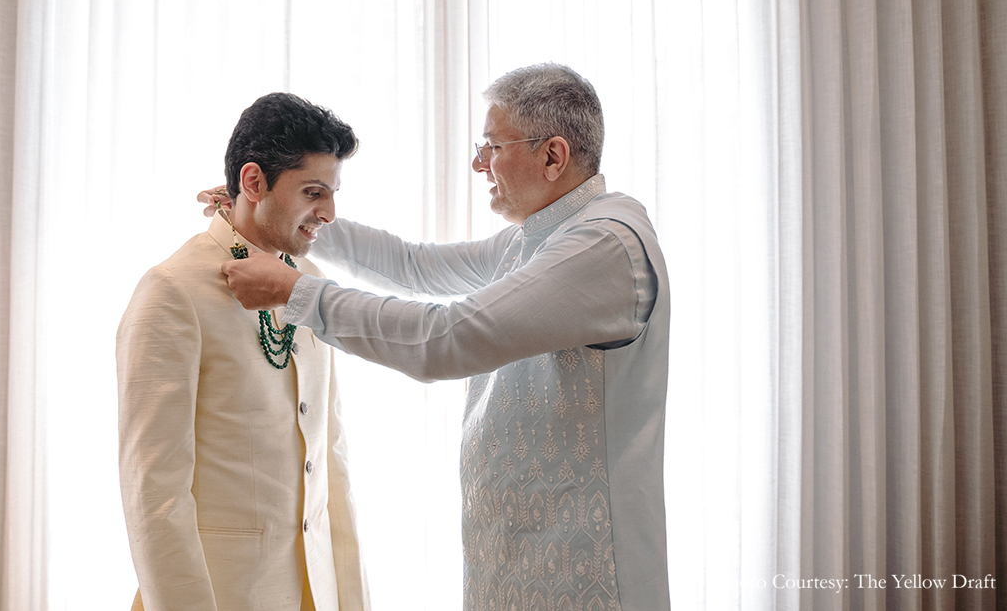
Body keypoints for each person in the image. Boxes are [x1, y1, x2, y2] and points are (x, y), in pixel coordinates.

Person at [214, 64, 671, 611]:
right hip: (515, 563)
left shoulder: (602, 247)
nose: (478, 162)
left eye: (492, 145)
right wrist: (297, 215)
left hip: (586, 576)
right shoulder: (539, 238)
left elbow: (445, 339)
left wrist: (297, 293)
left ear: (553, 156)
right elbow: (416, 266)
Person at [118, 93, 370, 611]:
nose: (329, 212)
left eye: (333, 192)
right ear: (253, 182)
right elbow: (154, 495)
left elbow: (331, 461)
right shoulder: (172, 292)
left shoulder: (312, 285)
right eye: (313, 191)